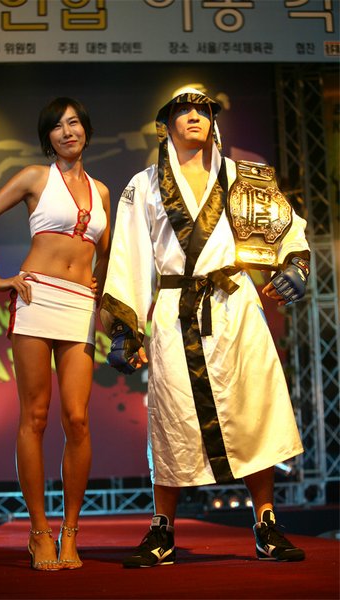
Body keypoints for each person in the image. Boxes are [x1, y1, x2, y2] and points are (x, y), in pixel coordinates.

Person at [100, 86, 310, 567]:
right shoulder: (143, 185)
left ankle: (266, 524)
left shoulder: (243, 177)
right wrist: (125, 328)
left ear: (214, 121)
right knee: (170, 417)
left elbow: (286, 227)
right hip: (175, 311)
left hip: (235, 306)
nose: (194, 115)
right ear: (166, 124)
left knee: (253, 409)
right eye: (184, 109)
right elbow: (128, 256)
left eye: (203, 109)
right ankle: (162, 529)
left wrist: (295, 264)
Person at [0, 97, 111, 570]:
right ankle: (39, 531)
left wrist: (101, 290)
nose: (68, 132)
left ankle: (71, 532)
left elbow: (106, 255)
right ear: (48, 137)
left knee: (78, 419)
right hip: (36, 296)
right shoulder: (34, 178)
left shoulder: (102, 191)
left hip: (80, 305)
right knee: (37, 416)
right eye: (57, 126)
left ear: (86, 130)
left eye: (74, 123)